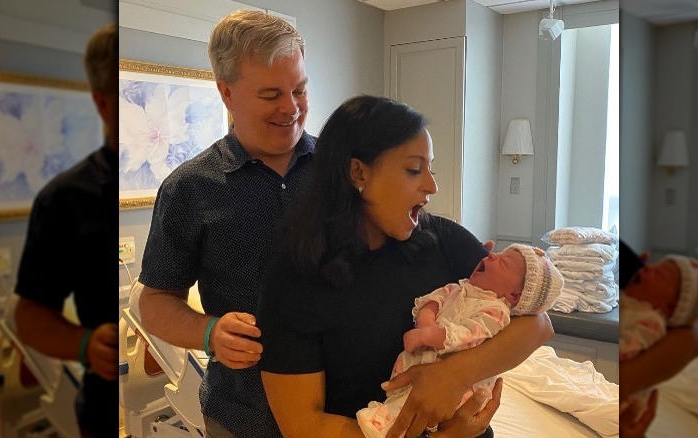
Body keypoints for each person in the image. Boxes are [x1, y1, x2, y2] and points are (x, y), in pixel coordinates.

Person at [259, 95, 555, 438]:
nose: (432, 185)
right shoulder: (298, 274)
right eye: (414, 169)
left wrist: (453, 376)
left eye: (431, 168)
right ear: (359, 172)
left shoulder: (442, 239)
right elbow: (302, 425)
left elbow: (538, 324)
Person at [137, 10, 312, 437]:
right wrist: (209, 332)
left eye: (300, 90)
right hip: (244, 416)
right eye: (271, 94)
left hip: (348, 408)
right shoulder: (190, 188)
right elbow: (154, 301)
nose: (291, 108)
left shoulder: (347, 172)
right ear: (227, 94)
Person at [13, 23, 118, 437]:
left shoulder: (188, 183)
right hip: (103, 410)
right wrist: (85, 343)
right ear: (101, 103)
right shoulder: (64, 199)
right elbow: (29, 314)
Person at [357, 243, 564, 438]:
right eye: (498, 253)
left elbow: (469, 335)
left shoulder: (496, 311)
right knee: (406, 382)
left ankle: (388, 424)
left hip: (460, 382)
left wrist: (429, 335)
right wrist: (426, 322)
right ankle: (388, 409)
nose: (492, 255)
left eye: (504, 262)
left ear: (514, 296)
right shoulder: (458, 288)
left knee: (429, 403)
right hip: (428, 356)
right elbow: (433, 300)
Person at [617, 241, 698, 438]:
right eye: (653, 265)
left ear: (668, 308)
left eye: (658, 273)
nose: (648, 268)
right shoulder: (635, 300)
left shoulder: (650, 322)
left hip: (629, 404)